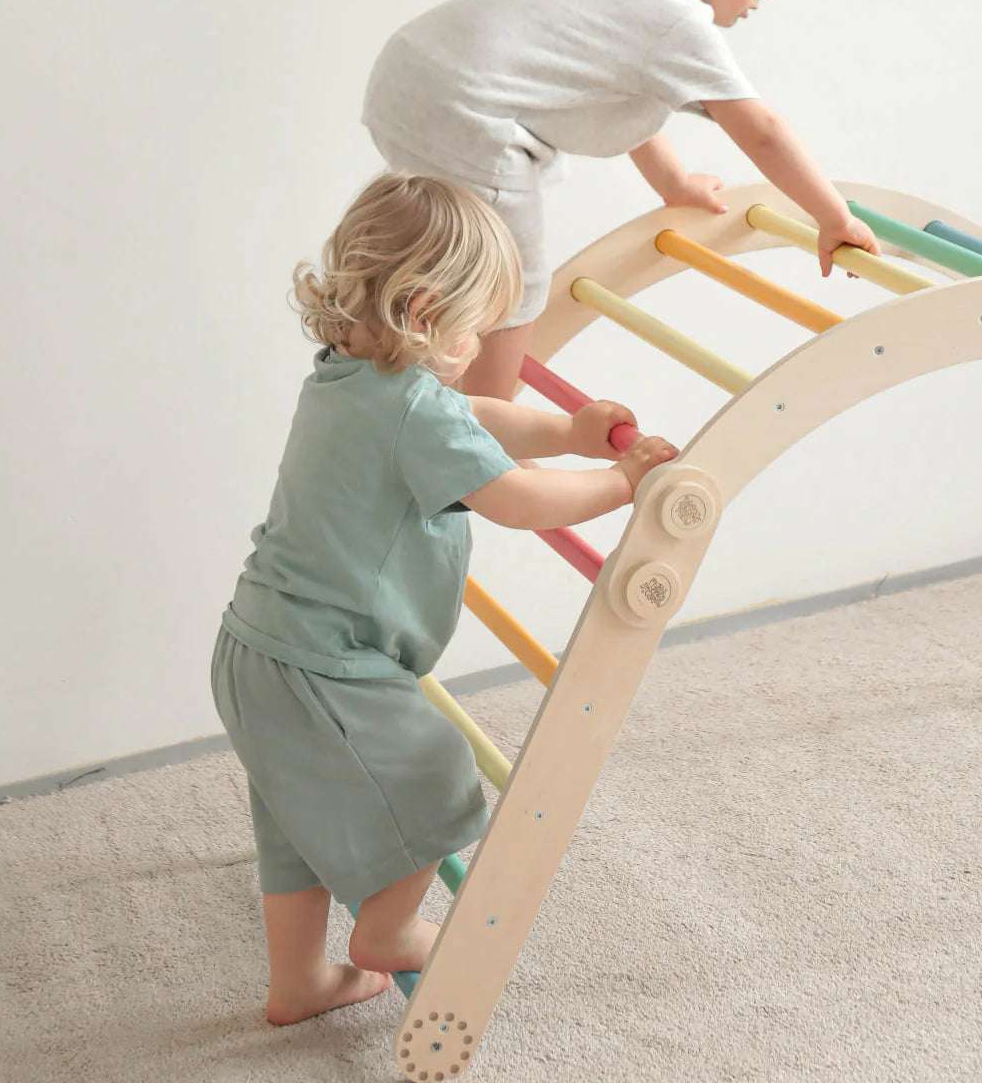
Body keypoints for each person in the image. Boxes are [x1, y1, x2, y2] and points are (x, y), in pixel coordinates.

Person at [212, 172, 677, 1024]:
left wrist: (570, 432)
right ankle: (387, 932)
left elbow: (476, 417)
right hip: (326, 663)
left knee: (294, 824)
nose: (479, 345)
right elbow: (518, 499)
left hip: (254, 646)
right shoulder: (414, 412)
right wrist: (620, 482)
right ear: (425, 313)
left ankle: (300, 983)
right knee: (437, 773)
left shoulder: (346, 376)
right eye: (476, 329)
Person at [362, 0, 881, 399]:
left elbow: (616, 92)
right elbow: (762, 132)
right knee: (513, 279)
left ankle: (393, 371)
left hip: (409, 72)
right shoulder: (676, 19)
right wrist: (833, 217)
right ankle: (486, 422)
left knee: (444, 258)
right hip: (464, 109)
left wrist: (673, 182)